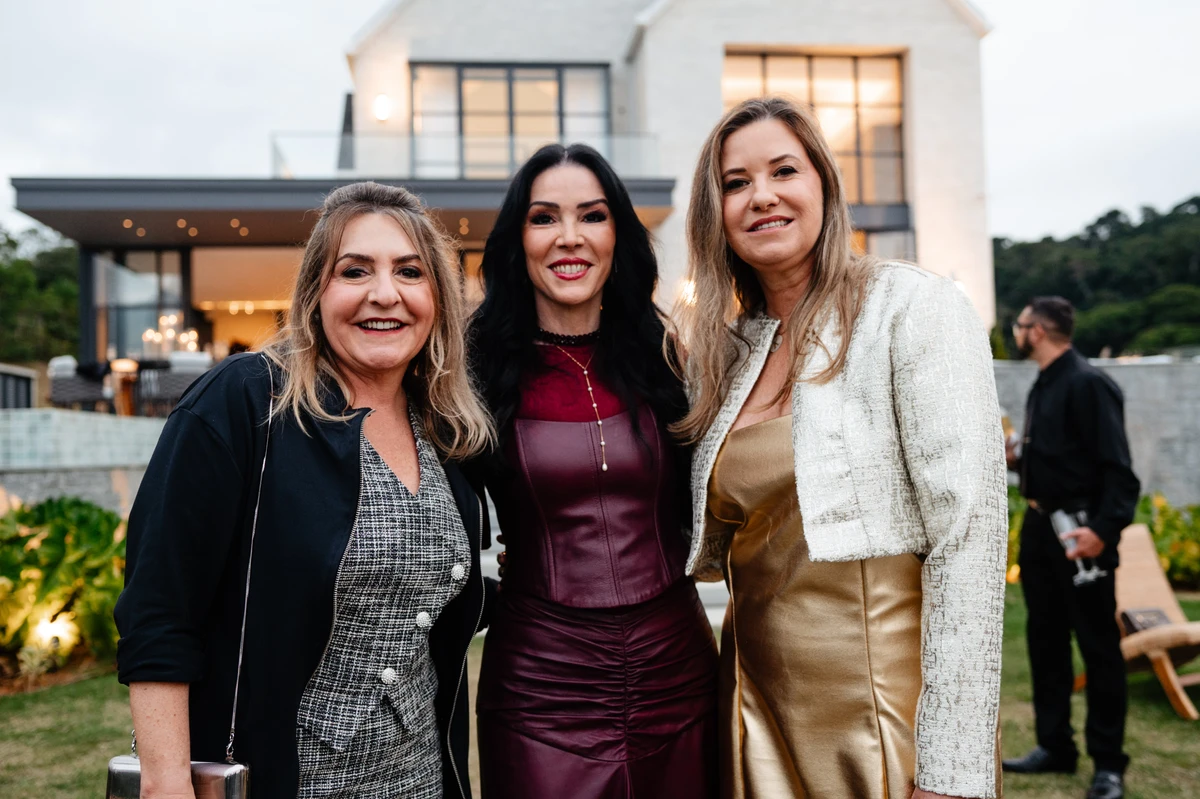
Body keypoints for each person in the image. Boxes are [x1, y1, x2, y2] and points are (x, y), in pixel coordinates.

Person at [114, 181, 495, 799]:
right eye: (355, 271)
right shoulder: (244, 403)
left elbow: (412, 596)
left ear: (437, 299)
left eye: (410, 272)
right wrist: (166, 783)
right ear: (316, 292)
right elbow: (159, 610)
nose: (385, 294)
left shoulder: (446, 432)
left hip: (420, 778)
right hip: (284, 778)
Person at [676, 97, 1007, 799]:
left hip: (879, 704)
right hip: (753, 694)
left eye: (782, 170)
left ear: (824, 183)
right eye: (735, 183)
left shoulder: (913, 307)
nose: (760, 195)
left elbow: (969, 537)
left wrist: (951, 766)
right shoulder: (727, 350)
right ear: (717, 213)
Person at [468, 143, 718, 799]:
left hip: (679, 673)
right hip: (540, 685)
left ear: (618, 235)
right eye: (544, 217)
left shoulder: (671, 357)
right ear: (517, 238)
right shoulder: (473, 371)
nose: (569, 238)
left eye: (592, 215)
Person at [1002, 297, 1139, 799]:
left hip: (1083, 532)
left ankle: (1109, 764)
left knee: (1100, 649)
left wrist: (1101, 531)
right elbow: (1060, 458)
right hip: (1041, 531)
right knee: (1046, 643)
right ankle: (1054, 746)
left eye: (1019, 325)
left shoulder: (1087, 382)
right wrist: (1018, 458)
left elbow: (1120, 474)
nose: (1016, 332)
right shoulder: (1045, 381)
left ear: (1036, 330)